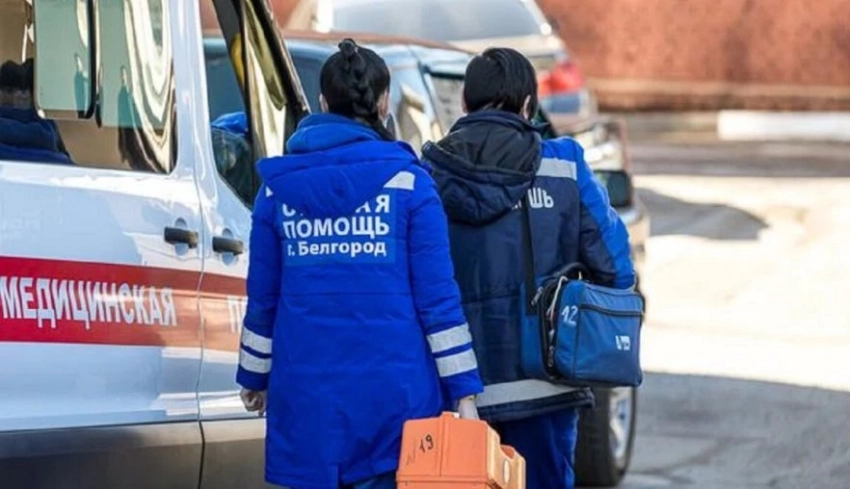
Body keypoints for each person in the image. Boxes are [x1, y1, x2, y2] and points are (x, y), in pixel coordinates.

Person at [235, 39, 483, 489]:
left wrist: (254, 375)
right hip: (397, 402)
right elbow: (439, 303)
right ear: (384, 104)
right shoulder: (410, 185)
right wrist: (464, 392)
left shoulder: (276, 192)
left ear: (322, 103)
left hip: (307, 400)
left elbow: (263, 301)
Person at [421, 47, 635, 489]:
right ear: (527, 104)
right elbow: (616, 269)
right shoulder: (564, 166)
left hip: (457, 389)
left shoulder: (429, 175)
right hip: (547, 384)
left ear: (464, 102)